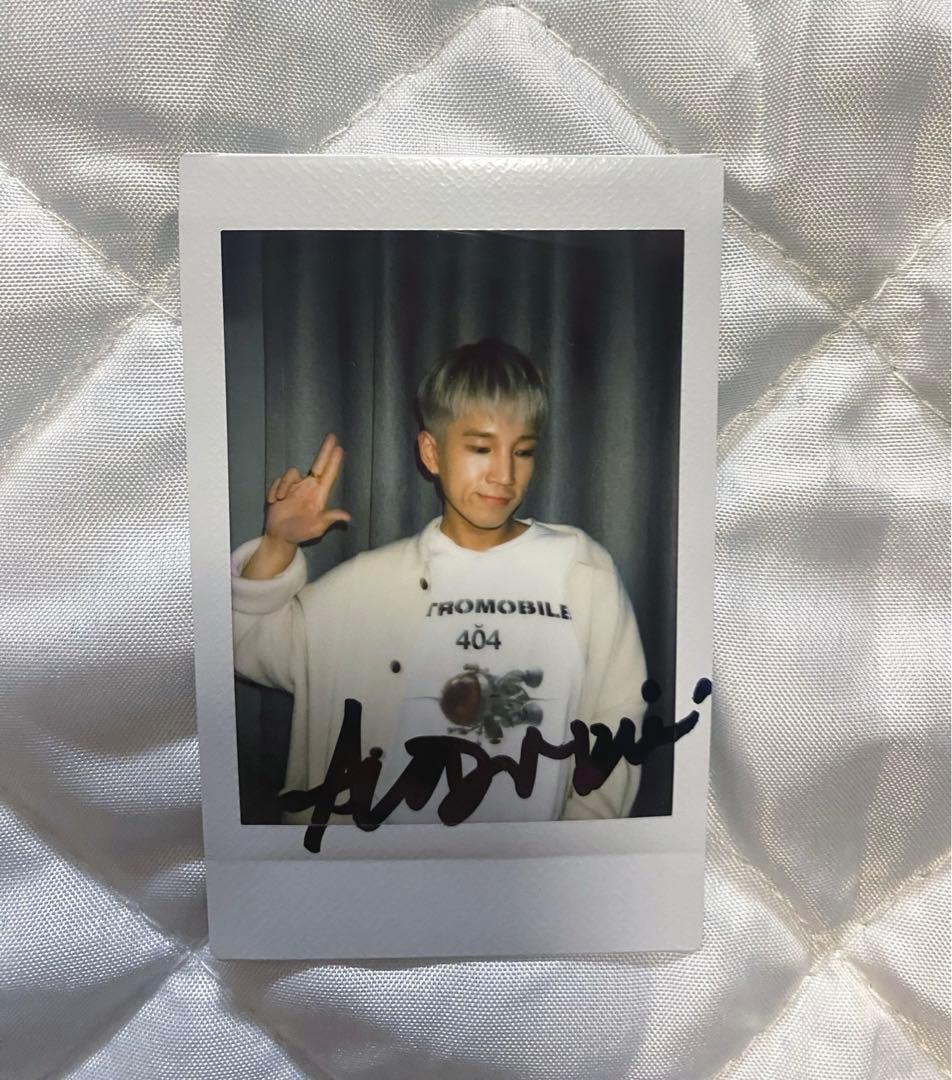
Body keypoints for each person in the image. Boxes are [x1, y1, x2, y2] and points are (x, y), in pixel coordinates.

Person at [230, 338, 648, 826]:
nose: (504, 474)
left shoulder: (581, 571)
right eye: (481, 448)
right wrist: (277, 544)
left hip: (530, 870)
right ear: (432, 452)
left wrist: (573, 854)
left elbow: (618, 722)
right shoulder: (370, 585)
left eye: (523, 451)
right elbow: (243, 643)